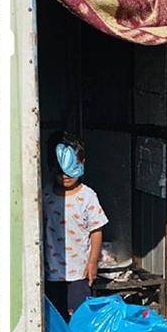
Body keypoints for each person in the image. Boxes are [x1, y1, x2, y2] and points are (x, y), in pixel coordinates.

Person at [42, 136, 108, 321]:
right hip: (51, 272)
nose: (65, 175)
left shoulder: (88, 197)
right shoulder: (44, 195)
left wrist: (92, 263)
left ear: (81, 163)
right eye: (60, 169)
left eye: (70, 169)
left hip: (79, 272)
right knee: (55, 317)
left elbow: (96, 231)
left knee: (79, 316)